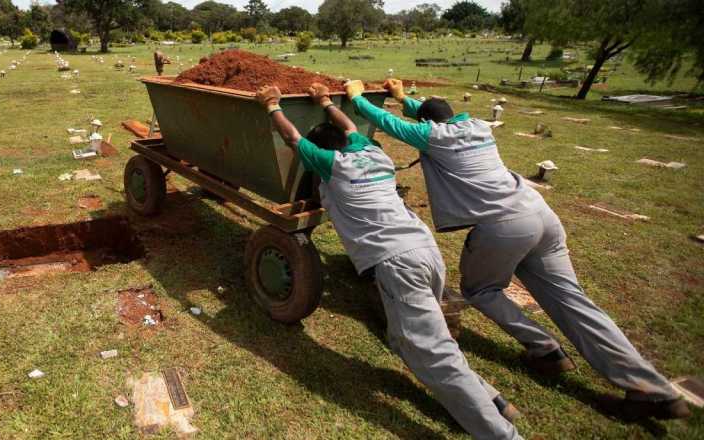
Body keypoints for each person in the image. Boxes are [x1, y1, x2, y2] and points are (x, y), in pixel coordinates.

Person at [346, 78, 691, 421]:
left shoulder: (434, 136)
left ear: (428, 124)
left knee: (480, 290)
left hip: (505, 225)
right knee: (574, 301)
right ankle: (652, 389)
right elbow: (432, 117)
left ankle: (545, 349)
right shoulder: (478, 126)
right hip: (540, 213)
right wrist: (403, 98)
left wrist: (358, 98)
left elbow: (392, 124)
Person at [256, 82, 522, 440]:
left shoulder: (334, 166)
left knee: (431, 352)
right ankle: (492, 398)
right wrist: (326, 102)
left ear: (323, 152)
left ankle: (501, 433)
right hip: (426, 252)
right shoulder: (374, 154)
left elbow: (292, 138)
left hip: (398, 262)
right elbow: (350, 127)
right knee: (413, 340)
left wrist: (272, 105)